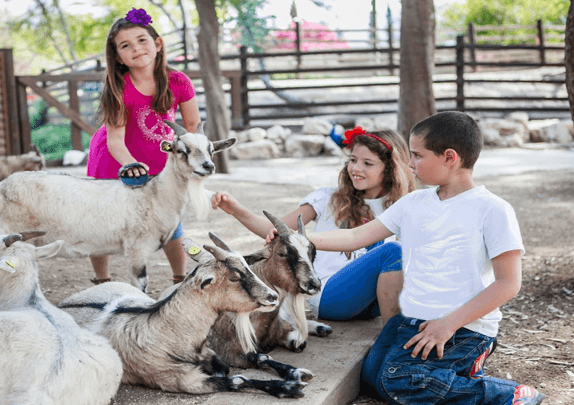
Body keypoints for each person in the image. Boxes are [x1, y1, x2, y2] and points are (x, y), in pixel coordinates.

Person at [267, 111, 542, 404]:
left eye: (417, 155)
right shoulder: (414, 203)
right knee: (373, 378)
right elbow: (354, 237)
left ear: (450, 157)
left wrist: (447, 324)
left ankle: (506, 395)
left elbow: (508, 284)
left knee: (397, 381)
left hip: (463, 327)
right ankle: (456, 373)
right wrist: (299, 240)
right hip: (413, 320)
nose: (409, 164)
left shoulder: (493, 209)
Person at [212, 127, 416, 323]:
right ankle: (393, 338)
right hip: (327, 293)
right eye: (353, 160)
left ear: (390, 169)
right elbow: (278, 231)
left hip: (370, 303)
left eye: (368, 163)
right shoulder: (327, 198)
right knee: (391, 251)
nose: (356, 168)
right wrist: (236, 209)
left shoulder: (399, 207)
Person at [86, 8, 200, 285]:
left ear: (158, 44)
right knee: (104, 220)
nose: (136, 49)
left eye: (142, 40)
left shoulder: (178, 81)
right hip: (116, 158)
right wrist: (132, 166)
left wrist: (188, 161)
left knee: (170, 221)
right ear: (118, 56)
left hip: (160, 162)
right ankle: (103, 281)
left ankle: (179, 280)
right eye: (126, 45)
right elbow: (115, 139)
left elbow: (192, 127)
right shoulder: (118, 87)